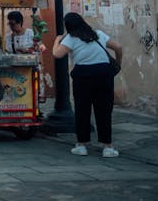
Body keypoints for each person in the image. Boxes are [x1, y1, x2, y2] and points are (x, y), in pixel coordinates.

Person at [47, 12, 121, 158]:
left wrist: (57, 40)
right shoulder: (97, 34)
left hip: (83, 75)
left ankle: (81, 145)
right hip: (103, 73)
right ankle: (108, 147)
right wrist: (118, 63)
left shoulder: (70, 38)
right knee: (104, 110)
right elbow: (118, 47)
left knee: (82, 110)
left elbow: (57, 54)